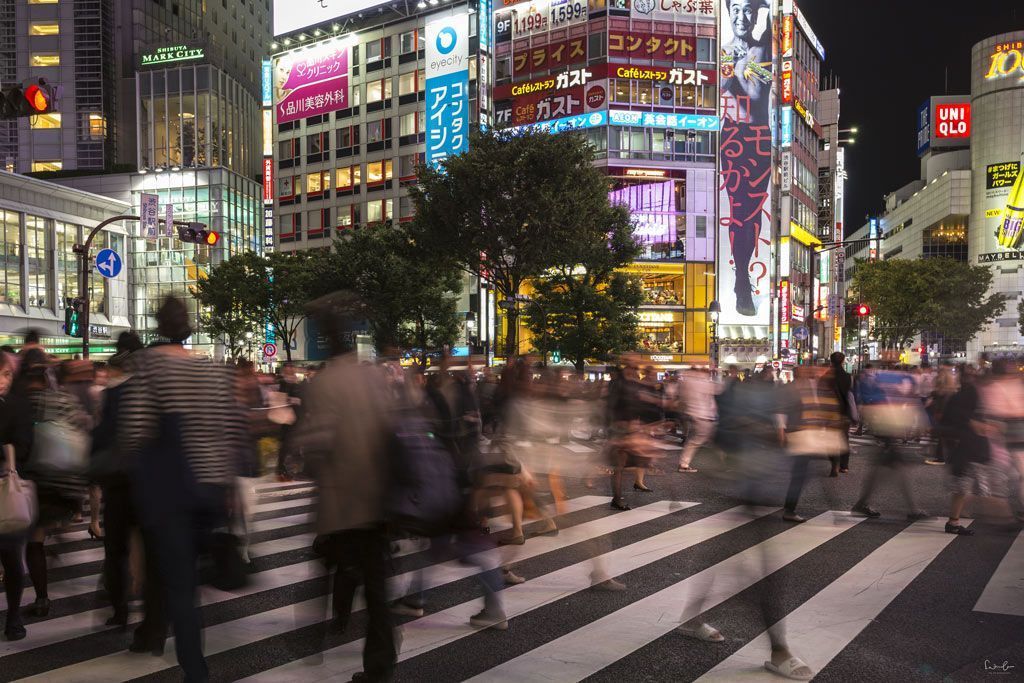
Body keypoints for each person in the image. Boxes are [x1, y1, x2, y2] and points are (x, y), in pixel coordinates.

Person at [119, 296, 246, 681]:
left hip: (171, 490)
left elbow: (135, 431)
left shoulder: (149, 366)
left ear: (159, 325)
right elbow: (229, 430)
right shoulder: (210, 369)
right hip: (209, 489)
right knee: (185, 574)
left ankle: (195, 670)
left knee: (180, 586)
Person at [296, 293, 396, 681]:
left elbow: (319, 446)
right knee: (376, 588)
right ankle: (380, 666)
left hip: (341, 502)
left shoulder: (324, 385)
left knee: (327, 569)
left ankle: (316, 637)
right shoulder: (373, 377)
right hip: (378, 499)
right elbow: (392, 431)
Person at [13, 352, 92, 619]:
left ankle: (41, 598)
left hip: (33, 482)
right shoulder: (64, 399)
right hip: (64, 482)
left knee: (33, 542)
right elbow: (84, 427)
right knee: (42, 533)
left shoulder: (20, 404)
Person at [91, 331, 144, 628]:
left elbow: (100, 438)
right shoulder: (152, 389)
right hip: (149, 482)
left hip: (118, 482)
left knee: (116, 549)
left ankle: (120, 608)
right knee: (150, 545)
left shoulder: (112, 393)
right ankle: (154, 616)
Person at [0, 351, 30, 640]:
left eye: (7, 375)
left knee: (11, 557)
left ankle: (14, 616)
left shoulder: (16, 406)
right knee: (11, 556)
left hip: (5, 488)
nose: (4, 381)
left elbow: (24, 448)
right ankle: (14, 618)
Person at [826, 352, 854, 476]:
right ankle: (844, 466)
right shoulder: (848, 376)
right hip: (844, 412)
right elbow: (851, 395)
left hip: (829, 412)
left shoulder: (826, 376)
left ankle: (834, 463)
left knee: (830, 439)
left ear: (831, 361)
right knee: (844, 439)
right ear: (843, 361)